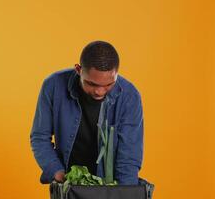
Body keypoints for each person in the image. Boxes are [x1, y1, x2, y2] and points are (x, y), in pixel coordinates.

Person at [30, 40, 144, 185]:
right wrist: (57, 172)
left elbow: (129, 157)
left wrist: (124, 194)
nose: (99, 91)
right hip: (69, 184)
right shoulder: (53, 86)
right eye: (92, 84)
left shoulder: (130, 96)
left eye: (109, 84)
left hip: (109, 187)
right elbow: (40, 137)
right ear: (78, 70)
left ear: (116, 74)